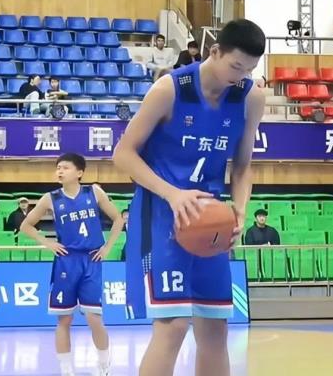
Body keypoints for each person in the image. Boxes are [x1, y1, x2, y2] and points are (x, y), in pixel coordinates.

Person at [113, 19, 266, 376]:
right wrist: (173, 194)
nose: (241, 76)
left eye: (249, 70)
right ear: (215, 51)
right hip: (161, 214)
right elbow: (123, 154)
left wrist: (240, 210)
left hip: (209, 220)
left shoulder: (250, 97)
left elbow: (243, 167)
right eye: (236, 66)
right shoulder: (170, 89)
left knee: (215, 329)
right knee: (173, 325)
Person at [20, 153, 124, 376]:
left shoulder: (94, 192)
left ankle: (104, 365)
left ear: (79, 172)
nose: (60, 171)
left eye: (65, 167)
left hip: (91, 259)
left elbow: (118, 218)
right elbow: (26, 226)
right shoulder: (50, 198)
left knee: (94, 317)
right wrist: (48, 243)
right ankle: (66, 369)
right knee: (64, 319)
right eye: (58, 167)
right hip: (66, 261)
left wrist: (108, 247)